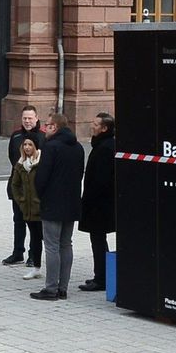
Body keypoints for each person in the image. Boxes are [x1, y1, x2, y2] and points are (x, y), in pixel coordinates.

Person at [31, 114, 85, 301]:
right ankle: (63, 287)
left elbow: (42, 177)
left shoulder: (51, 147)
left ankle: (51, 288)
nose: (44, 129)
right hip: (71, 202)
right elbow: (79, 174)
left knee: (52, 246)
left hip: (53, 203)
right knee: (66, 244)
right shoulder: (78, 147)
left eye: (47, 126)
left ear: (55, 127)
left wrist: (41, 194)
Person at [4, 105, 46, 265]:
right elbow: (12, 158)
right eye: (24, 118)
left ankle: (33, 255)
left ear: (36, 118)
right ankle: (17, 252)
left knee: (35, 224)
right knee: (18, 220)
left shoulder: (43, 137)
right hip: (18, 187)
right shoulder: (15, 136)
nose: (27, 121)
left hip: (35, 189)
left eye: (30, 118)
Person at [78, 113, 116, 292]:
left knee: (98, 239)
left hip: (100, 205)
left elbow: (101, 181)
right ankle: (100, 275)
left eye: (95, 124)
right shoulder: (102, 145)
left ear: (104, 128)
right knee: (98, 239)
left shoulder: (105, 148)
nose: (91, 126)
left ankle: (101, 278)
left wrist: (89, 200)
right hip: (100, 204)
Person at [9, 137, 43, 281]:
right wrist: (21, 201)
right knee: (35, 238)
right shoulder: (20, 164)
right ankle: (36, 267)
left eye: (30, 144)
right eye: (25, 145)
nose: (27, 147)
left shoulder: (42, 162)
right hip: (28, 209)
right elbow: (15, 185)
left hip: (42, 208)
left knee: (47, 239)